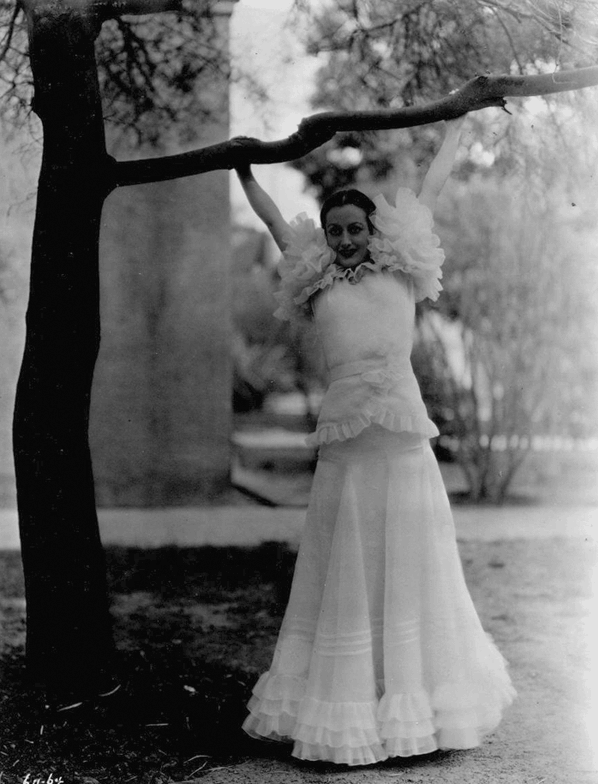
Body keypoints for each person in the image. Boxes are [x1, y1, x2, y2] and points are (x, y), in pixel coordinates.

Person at [234, 117, 516, 767]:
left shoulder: (405, 268)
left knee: (410, 562)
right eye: (334, 233)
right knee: (349, 567)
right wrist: (246, 174)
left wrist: (456, 126)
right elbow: (280, 227)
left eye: (356, 229)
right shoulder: (317, 280)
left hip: (401, 437)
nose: (345, 240)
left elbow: (434, 186)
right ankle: (349, 703)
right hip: (346, 443)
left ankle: (417, 703)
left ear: (375, 231)